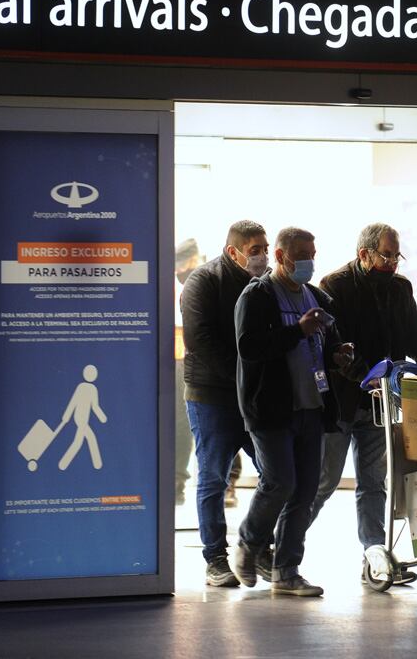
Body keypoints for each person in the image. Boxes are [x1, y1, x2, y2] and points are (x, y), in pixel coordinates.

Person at [310, 223, 417, 585]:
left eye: (396, 255)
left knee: (374, 483)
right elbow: (332, 345)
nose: (392, 263)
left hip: (378, 403)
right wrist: (362, 376)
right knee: (324, 481)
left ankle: (376, 556)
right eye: (385, 255)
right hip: (341, 400)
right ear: (364, 254)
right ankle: (282, 548)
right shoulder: (334, 286)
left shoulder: (400, 289)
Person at [231, 227, 354, 597]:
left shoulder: (317, 296)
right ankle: (249, 543)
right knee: (279, 482)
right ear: (281, 257)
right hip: (270, 408)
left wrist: (338, 355)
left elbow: (327, 342)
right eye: (302, 254)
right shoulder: (258, 296)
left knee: (304, 490)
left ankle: (286, 570)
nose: (309, 262)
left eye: (313, 253)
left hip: (311, 405)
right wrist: (297, 331)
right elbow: (249, 347)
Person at [181, 221, 273, 587]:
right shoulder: (202, 282)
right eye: (255, 249)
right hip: (212, 398)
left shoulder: (267, 285)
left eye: (265, 247)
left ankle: (257, 548)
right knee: (213, 478)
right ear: (233, 251)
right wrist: (243, 380)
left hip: (253, 397)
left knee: (274, 474)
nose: (263, 255)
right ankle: (215, 559)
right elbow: (200, 340)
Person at [174, 238, 203, 505]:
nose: (179, 268)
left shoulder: (205, 280)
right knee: (180, 423)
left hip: (191, 363)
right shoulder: (176, 283)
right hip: (175, 361)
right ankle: (176, 481)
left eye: (183, 262)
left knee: (185, 424)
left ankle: (177, 482)